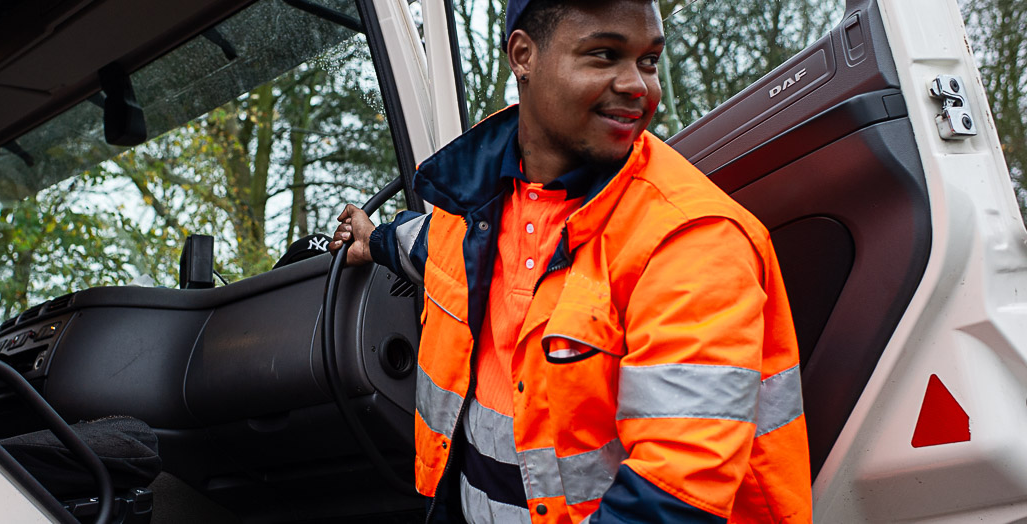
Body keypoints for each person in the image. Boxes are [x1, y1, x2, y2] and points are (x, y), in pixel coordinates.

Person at [330, 0, 812, 521]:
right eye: (604, 55)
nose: (639, 86)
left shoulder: (693, 239)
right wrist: (375, 239)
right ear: (523, 56)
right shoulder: (476, 198)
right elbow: (434, 251)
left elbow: (673, 499)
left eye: (649, 60)